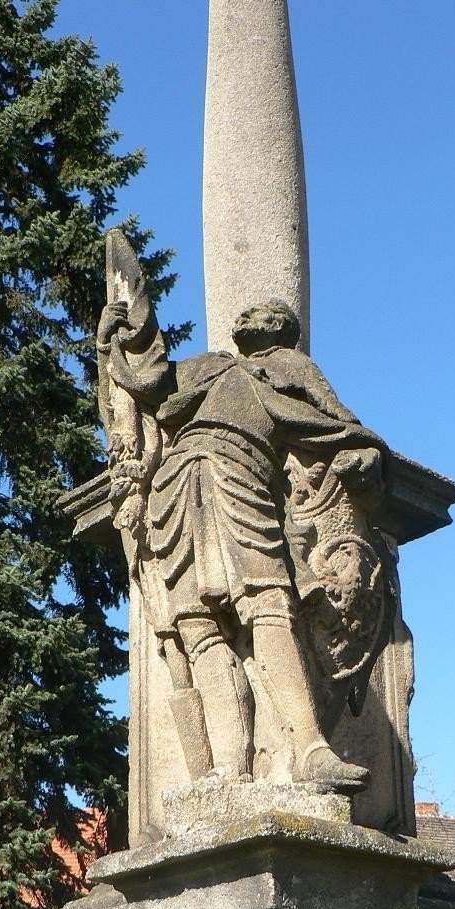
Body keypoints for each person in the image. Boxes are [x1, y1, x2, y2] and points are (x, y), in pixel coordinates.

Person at [99, 293, 385, 793]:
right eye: (254, 313)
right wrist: (111, 342)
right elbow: (143, 385)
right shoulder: (206, 367)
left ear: (283, 332)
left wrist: (363, 453)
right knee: (200, 628)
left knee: (267, 606)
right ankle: (231, 764)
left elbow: (337, 420)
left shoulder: (287, 365)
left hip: (237, 475)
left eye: (272, 315)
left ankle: (310, 750)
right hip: (177, 487)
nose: (258, 318)